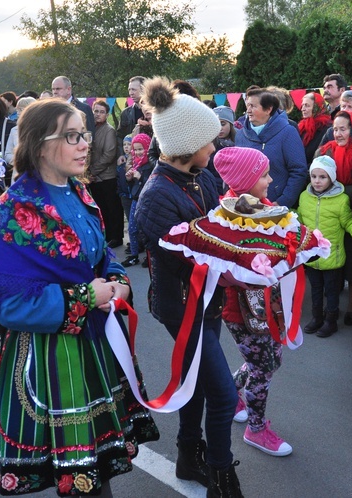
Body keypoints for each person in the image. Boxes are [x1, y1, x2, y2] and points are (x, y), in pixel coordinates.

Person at [0, 98, 159, 495]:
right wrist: (84, 297)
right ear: (40, 145)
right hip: (50, 359)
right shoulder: (11, 211)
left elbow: (101, 253)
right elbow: (5, 304)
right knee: (79, 479)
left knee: (98, 468)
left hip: (94, 348)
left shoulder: (79, 191)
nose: (84, 145)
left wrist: (118, 280)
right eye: (72, 136)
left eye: (84, 135)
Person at [135, 77, 243, 497]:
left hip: (208, 302)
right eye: (207, 142)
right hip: (182, 307)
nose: (214, 150)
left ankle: (186, 456)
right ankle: (221, 477)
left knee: (196, 384)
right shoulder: (156, 196)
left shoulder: (203, 177)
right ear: (185, 147)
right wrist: (249, 258)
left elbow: (222, 224)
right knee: (222, 394)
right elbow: (202, 254)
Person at [213, 146, 293, 456]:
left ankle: (231, 392)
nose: (271, 180)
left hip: (268, 304)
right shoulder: (226, 218)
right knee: (264, 366)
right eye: (264, 175)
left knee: (269, 360)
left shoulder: (264, 206)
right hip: (241, 308)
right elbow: (228, 266)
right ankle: (256, 430)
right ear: (246, 181)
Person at [316, 111, 352, 326]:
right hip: (331, 211)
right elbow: (316, 178)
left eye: (343, 128)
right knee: (333, 254)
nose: (338, 133)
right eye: (335, 128)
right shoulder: (326, 149)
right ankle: (332, 305)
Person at [297, 155, 352, 338]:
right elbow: (300, 218)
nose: (317, 181)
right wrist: (288, 218)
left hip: (332, 256)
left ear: (331, 178)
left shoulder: (341, 200)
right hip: (312, 256)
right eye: (314, 176)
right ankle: (317, 317)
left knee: (331, 291)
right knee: (315, 288)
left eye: (322, 177)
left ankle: (330, 321)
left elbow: (348, 221)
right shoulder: (304, 196)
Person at [235, 88, 307, 208]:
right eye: (247, 106)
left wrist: (282, 202)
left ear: (268, 109)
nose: (248, 111)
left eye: (253, 106)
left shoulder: (287, 132)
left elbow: (298, 171)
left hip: (276, 205)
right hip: (246, 206)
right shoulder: (240, 135)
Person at [86, 100, 124, 248]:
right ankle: (107, 236)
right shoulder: (91, 129)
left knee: (112, 208)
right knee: (101, 209)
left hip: (107, 176)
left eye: (101, 112)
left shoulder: (109, 130)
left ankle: (116, 237)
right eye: (96, 111)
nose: (98, 115)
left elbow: (109, 155)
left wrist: (92, 172)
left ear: (107, 115)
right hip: (94, 178)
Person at [122, 133, 153, 267]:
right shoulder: (136, 163)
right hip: (136, 199)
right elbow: (133, 186)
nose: (138, 152)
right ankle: (134, 255)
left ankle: (150, 257)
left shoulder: (152, 165)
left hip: (147, 202)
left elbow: (152, 185)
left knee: (146, 231)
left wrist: (140, 177)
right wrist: (129, 179)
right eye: (136, 150)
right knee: (132, 229)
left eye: (141, 149)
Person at [3, 96, 36, 184]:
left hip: (37, 174)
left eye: (22, 110)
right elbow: (7, 154)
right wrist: (20, 161)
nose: (18, 113)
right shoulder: (14, 130)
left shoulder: (42, 130)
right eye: (18, 110)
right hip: (18, 174)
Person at [298, 92, 332, 165]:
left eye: (307, 106)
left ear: (317, 107)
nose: (303, 109)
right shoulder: (301, 127)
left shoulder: (327, 127)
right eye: (302, 105)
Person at [117, 76, 146, 153]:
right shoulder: (125, 113)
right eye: (129, 90)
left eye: (133, 89)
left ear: (143, 90)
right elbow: (119, 136)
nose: (130, 93)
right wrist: (121, 155)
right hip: (131, 156)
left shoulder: (154, 111)